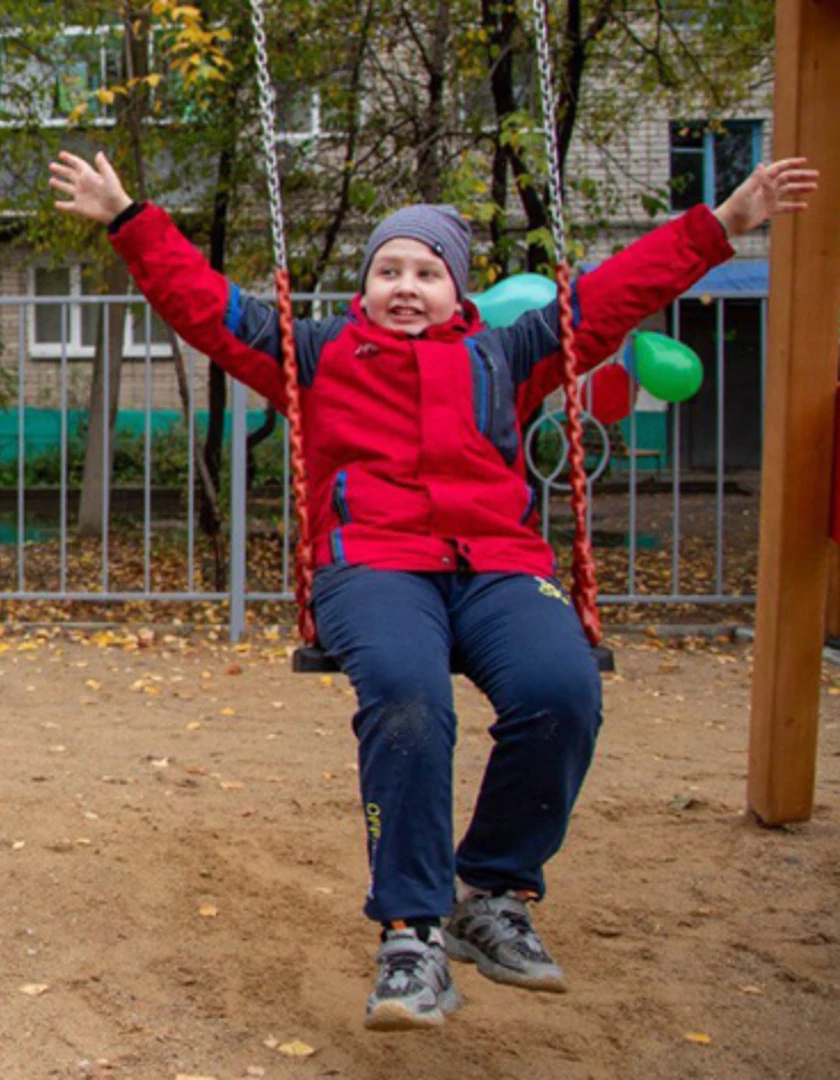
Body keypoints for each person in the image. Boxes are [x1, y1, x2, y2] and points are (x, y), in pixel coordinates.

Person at [51, 149, 817, 1029]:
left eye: (426, 271)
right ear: (365, 287)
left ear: (459, 292)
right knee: (410, 697)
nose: (405, 286)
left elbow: (614, 296)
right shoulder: (316, 351)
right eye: (388, 270)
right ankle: (410, 934)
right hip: (372, 565)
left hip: (496, 563)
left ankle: (490, 894)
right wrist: (128, 221)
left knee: (562, 689)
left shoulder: (509, 353)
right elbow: (206, 306)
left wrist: (721, 224)